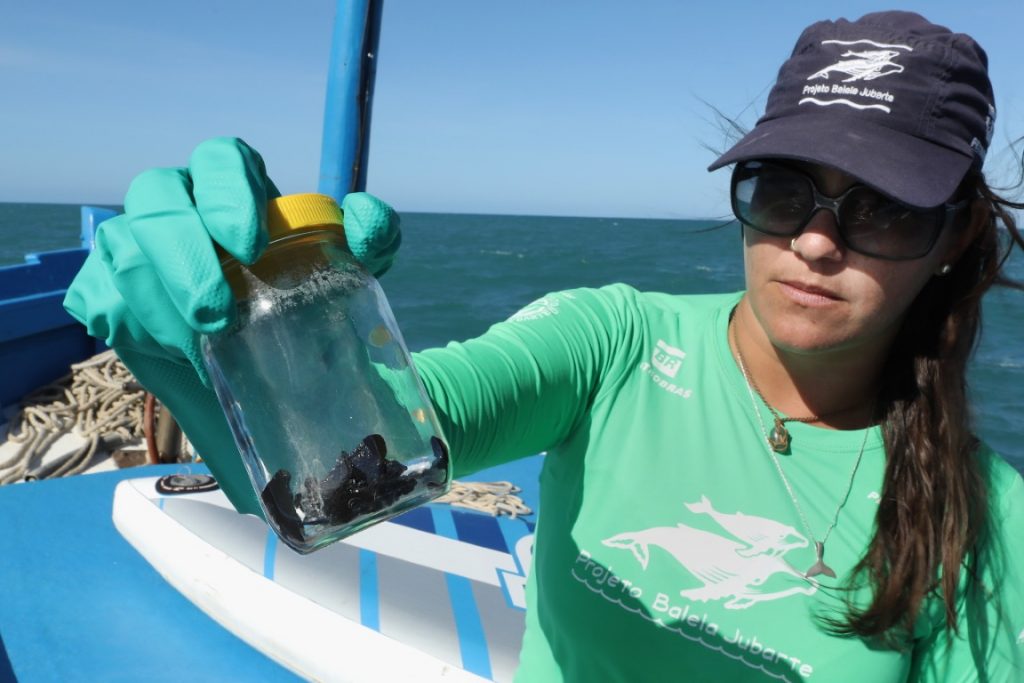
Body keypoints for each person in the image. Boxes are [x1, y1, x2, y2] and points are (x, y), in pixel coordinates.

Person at [64, 10, 1023, 682]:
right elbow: (352, 458)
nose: (815, 241)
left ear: (955, 238)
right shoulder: (610, 341)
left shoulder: (991, 521)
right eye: (782, 192)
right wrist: (261, 339)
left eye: (883, 210)